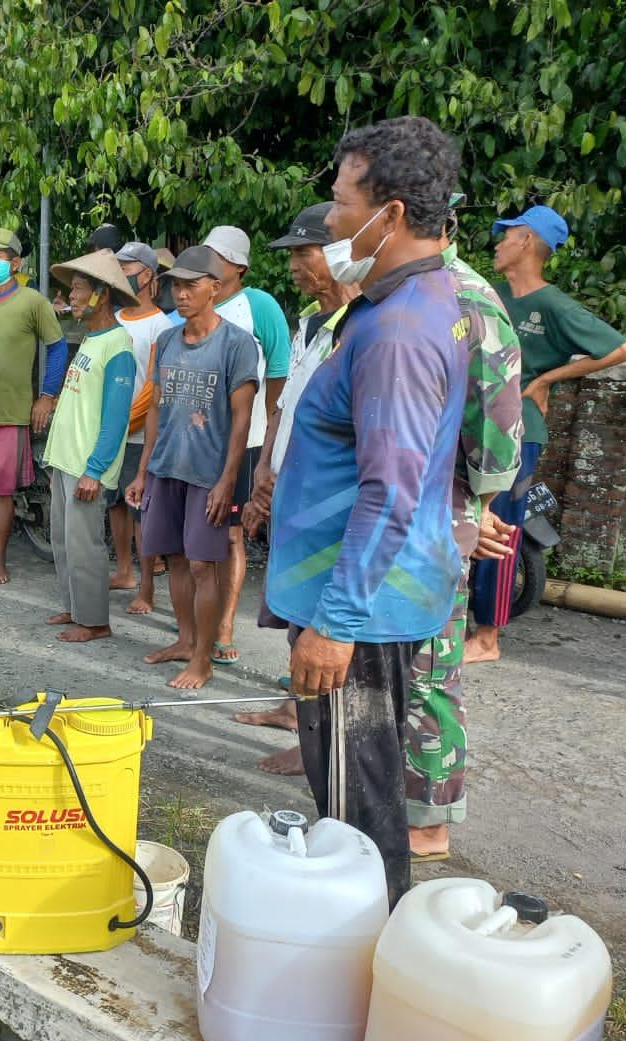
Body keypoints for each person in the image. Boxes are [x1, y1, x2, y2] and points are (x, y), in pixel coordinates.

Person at [265, 116, 468, 905]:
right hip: (357, 591)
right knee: (355, 800)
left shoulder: (400, 332)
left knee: (357, 817)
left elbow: (392, 487)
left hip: (362, 607)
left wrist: (336, 620)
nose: (333, 216)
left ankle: (360, 971)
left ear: (388, 214)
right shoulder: (404, 303)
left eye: (343, 199)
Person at [401, 214, 525, 861]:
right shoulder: (404, 290)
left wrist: (470, 512)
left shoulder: (468, 299)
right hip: (396, 508)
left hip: (439, 510)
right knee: (392, 668)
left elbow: (498, 431)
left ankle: (429, 820)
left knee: (428, 671)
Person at [466, 203, 626, 664]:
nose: (498, 242)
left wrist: (545, 380)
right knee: (463, 521)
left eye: (507, 234)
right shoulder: (488, 294)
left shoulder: (553, 304)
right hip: (473, 424)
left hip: (520, 431)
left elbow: (621, 349)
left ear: (527, 241)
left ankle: (487, 636)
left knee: (500, 526)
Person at [235, 203, 360, 774]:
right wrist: (265, 470)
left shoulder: (364, 325)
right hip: (288, 487)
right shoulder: (312, 320)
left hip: (330, 504)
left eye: (303, 253)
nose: (292, 265)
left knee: (324, 627)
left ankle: (325, 751)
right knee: (293, 620)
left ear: (338, 252)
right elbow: (284, 404)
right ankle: (300, 719)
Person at [126, 244, 262, 689]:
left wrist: (228, 481)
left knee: (205, 565)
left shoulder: (237, 344)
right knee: (175, 559)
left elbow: (242, 418)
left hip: (209, 474)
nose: (180, 294)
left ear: (215, 288)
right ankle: (185, 641)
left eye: (190, 285)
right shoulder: (167, 339)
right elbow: (156, 409)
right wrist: (144, 471)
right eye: (175, 286)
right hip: (167, 466)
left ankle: (202, 658)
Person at [196, 224, 291, 666]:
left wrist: (269, 433)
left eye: (219, 255)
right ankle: (197, 618)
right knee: (197, 536)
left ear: (239, 266)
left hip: (246, 438)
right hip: (197, 442)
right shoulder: (194, 302)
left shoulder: (259, 306)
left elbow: (279, 372)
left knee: (232, 535)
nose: (210, 262)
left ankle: (226, 622)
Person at [0, 226, 68, 585]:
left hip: (11, 414)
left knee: (2, 490)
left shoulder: (33, 302)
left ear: (15, 262)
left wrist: (47, 396)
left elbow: (57, 347)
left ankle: (0, 559)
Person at [41, 250, 138, 643]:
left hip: (86, 465)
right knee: (63, 541)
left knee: (86, 546)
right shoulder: (91, 339)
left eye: (79, 288)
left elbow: (116, 419)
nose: (73, 296)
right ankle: (74, 606)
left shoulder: (118, 346)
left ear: (103, 294)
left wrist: (95, 469)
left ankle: (95, 620)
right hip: (66, 460)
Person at [110, 242, 174, 613]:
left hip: (138, 436)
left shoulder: (161, 326)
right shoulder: (114, 318)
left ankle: (147, 586)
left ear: (148, 274)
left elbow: (153, 389)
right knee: (114, 505)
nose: (122, 276)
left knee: (140, 513)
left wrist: (117, 422)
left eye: (127, 269)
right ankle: (123, 571)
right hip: (113, 433)